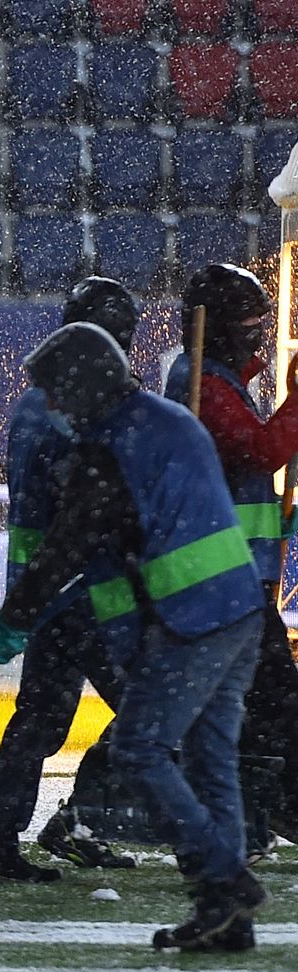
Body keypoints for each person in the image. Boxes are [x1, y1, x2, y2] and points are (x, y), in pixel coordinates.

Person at [0, 321, 268, 951]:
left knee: (141, 751)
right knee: (209, 761)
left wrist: (14, 619)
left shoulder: (112, 446)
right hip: (239, 609)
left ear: (86, 385)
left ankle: (225, 878)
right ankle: (227, 920)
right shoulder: (167, 421)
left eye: (58, 392)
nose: (52, 406)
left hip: (191, 618)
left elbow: (70, 543)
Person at [0, 278, 137, 883]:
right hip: (83, 592)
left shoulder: (42, 398)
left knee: (38, 721)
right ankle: (116, 824)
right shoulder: (73, 408)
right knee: (152, 711)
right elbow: (90, 511)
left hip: (49, 591)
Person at [158, 263, 298, 844]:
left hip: (233, 570)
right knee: (274, 697)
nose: (260, 332)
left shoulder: (215, 378)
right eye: (250, 322)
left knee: (219, 700)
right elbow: (259, 450)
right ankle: (274, 806)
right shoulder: (204, 387)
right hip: (221, 574)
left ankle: (264, 808)